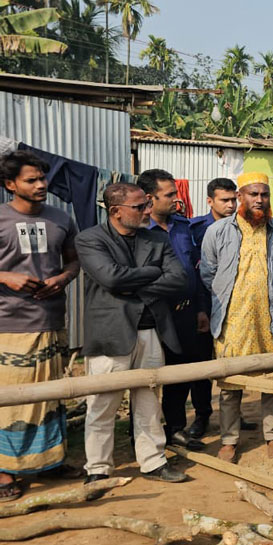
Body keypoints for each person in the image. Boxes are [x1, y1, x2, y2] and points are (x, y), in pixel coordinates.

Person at [77, 182, 188, 484]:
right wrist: (153, 273)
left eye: (147, 204)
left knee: (149, 402)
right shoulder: (90, 239)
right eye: (139, 207)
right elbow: (110, 278)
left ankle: (152, 461)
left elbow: (179, 279)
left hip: (152, 332)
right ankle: (98, 469)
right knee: (102, 404)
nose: (147, 211)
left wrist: (132, 283)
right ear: (115, 212)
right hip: (111, 335)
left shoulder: (155, 238)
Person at [0, 151, 81, 501]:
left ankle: (49, 460)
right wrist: (7, 277)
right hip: (8, 326)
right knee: (12, 401)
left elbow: (74, 261)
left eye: (42, 179)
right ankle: (5, 470)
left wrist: (63, 278)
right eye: (31, 180)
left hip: (51, 320)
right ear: (10, 184)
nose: (41, 185)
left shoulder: (62, 218)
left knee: (51, 395)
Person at [201, 172, 273, 463]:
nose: (259, 200)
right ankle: (229, 440)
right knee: (230, 383)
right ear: (240, 196)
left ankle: (272, 436)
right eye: (253, 194)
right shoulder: (217, 232)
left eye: (264, 195)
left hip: (271, 320)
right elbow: (208, 272)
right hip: (232, 322)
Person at [138, 169, 206, 451]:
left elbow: (197, 270)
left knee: (181, 374)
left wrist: (201, 308)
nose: (176, 200)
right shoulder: (140, 232)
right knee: (149, 378)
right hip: (154, 317)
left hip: (187, 313)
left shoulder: (183, 226)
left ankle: (175, 429)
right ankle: (142, 436)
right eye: (169, 195)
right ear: (149, 198)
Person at [187, 178, 243, 438]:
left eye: (234, 199)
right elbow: (197, 273)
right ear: (210, 201)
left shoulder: (244, 227)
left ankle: (235, 415)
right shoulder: (195, 230)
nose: (231, 205)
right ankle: (202, 415)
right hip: (204, 304)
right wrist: (201, 308)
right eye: (225, 200)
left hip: (234, 307)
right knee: (201, 363)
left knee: (234, 360)